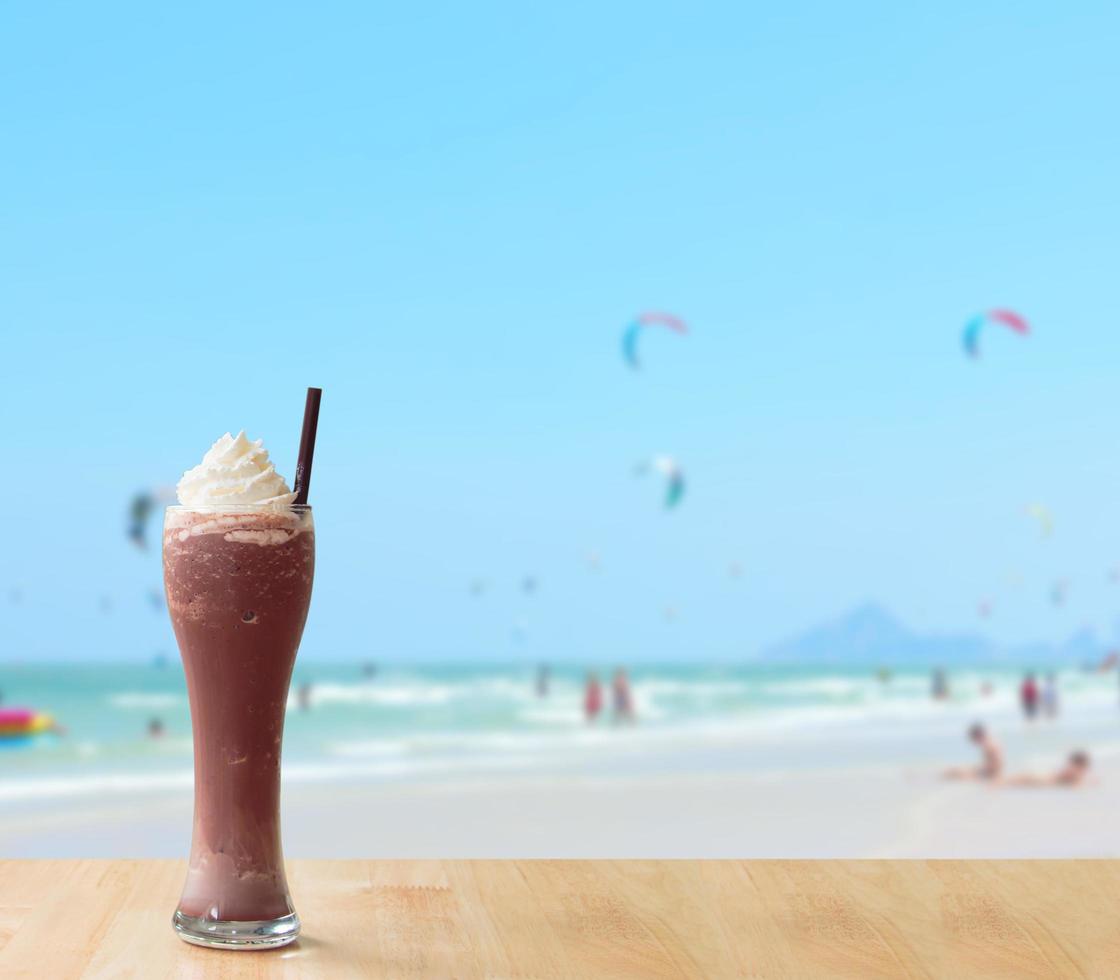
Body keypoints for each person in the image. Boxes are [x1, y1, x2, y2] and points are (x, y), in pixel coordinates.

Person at [1003, 751, 1092, 787]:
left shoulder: (1079, 776)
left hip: (1040, 778)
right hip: (1037, 779)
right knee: (1023, 778)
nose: (1069, 768)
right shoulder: (1069, 774)